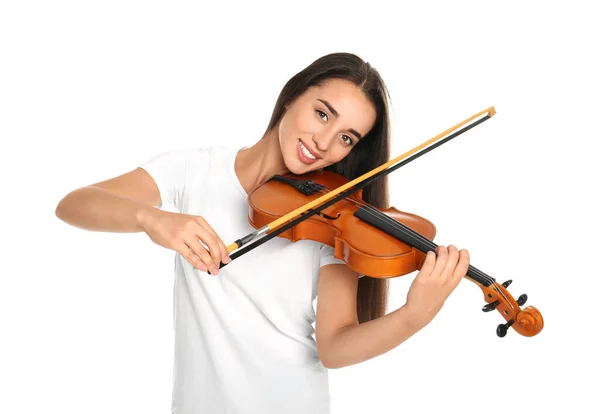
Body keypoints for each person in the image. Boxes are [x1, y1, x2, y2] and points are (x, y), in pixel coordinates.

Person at [55, 52, 470, 414]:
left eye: (346, 138)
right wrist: (155, 220)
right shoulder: (194, 171)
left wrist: (414, 316)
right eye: (322, 113)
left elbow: (334, 347)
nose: (324, 142)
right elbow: (74, 204)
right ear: (292, 96)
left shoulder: (335, 217)